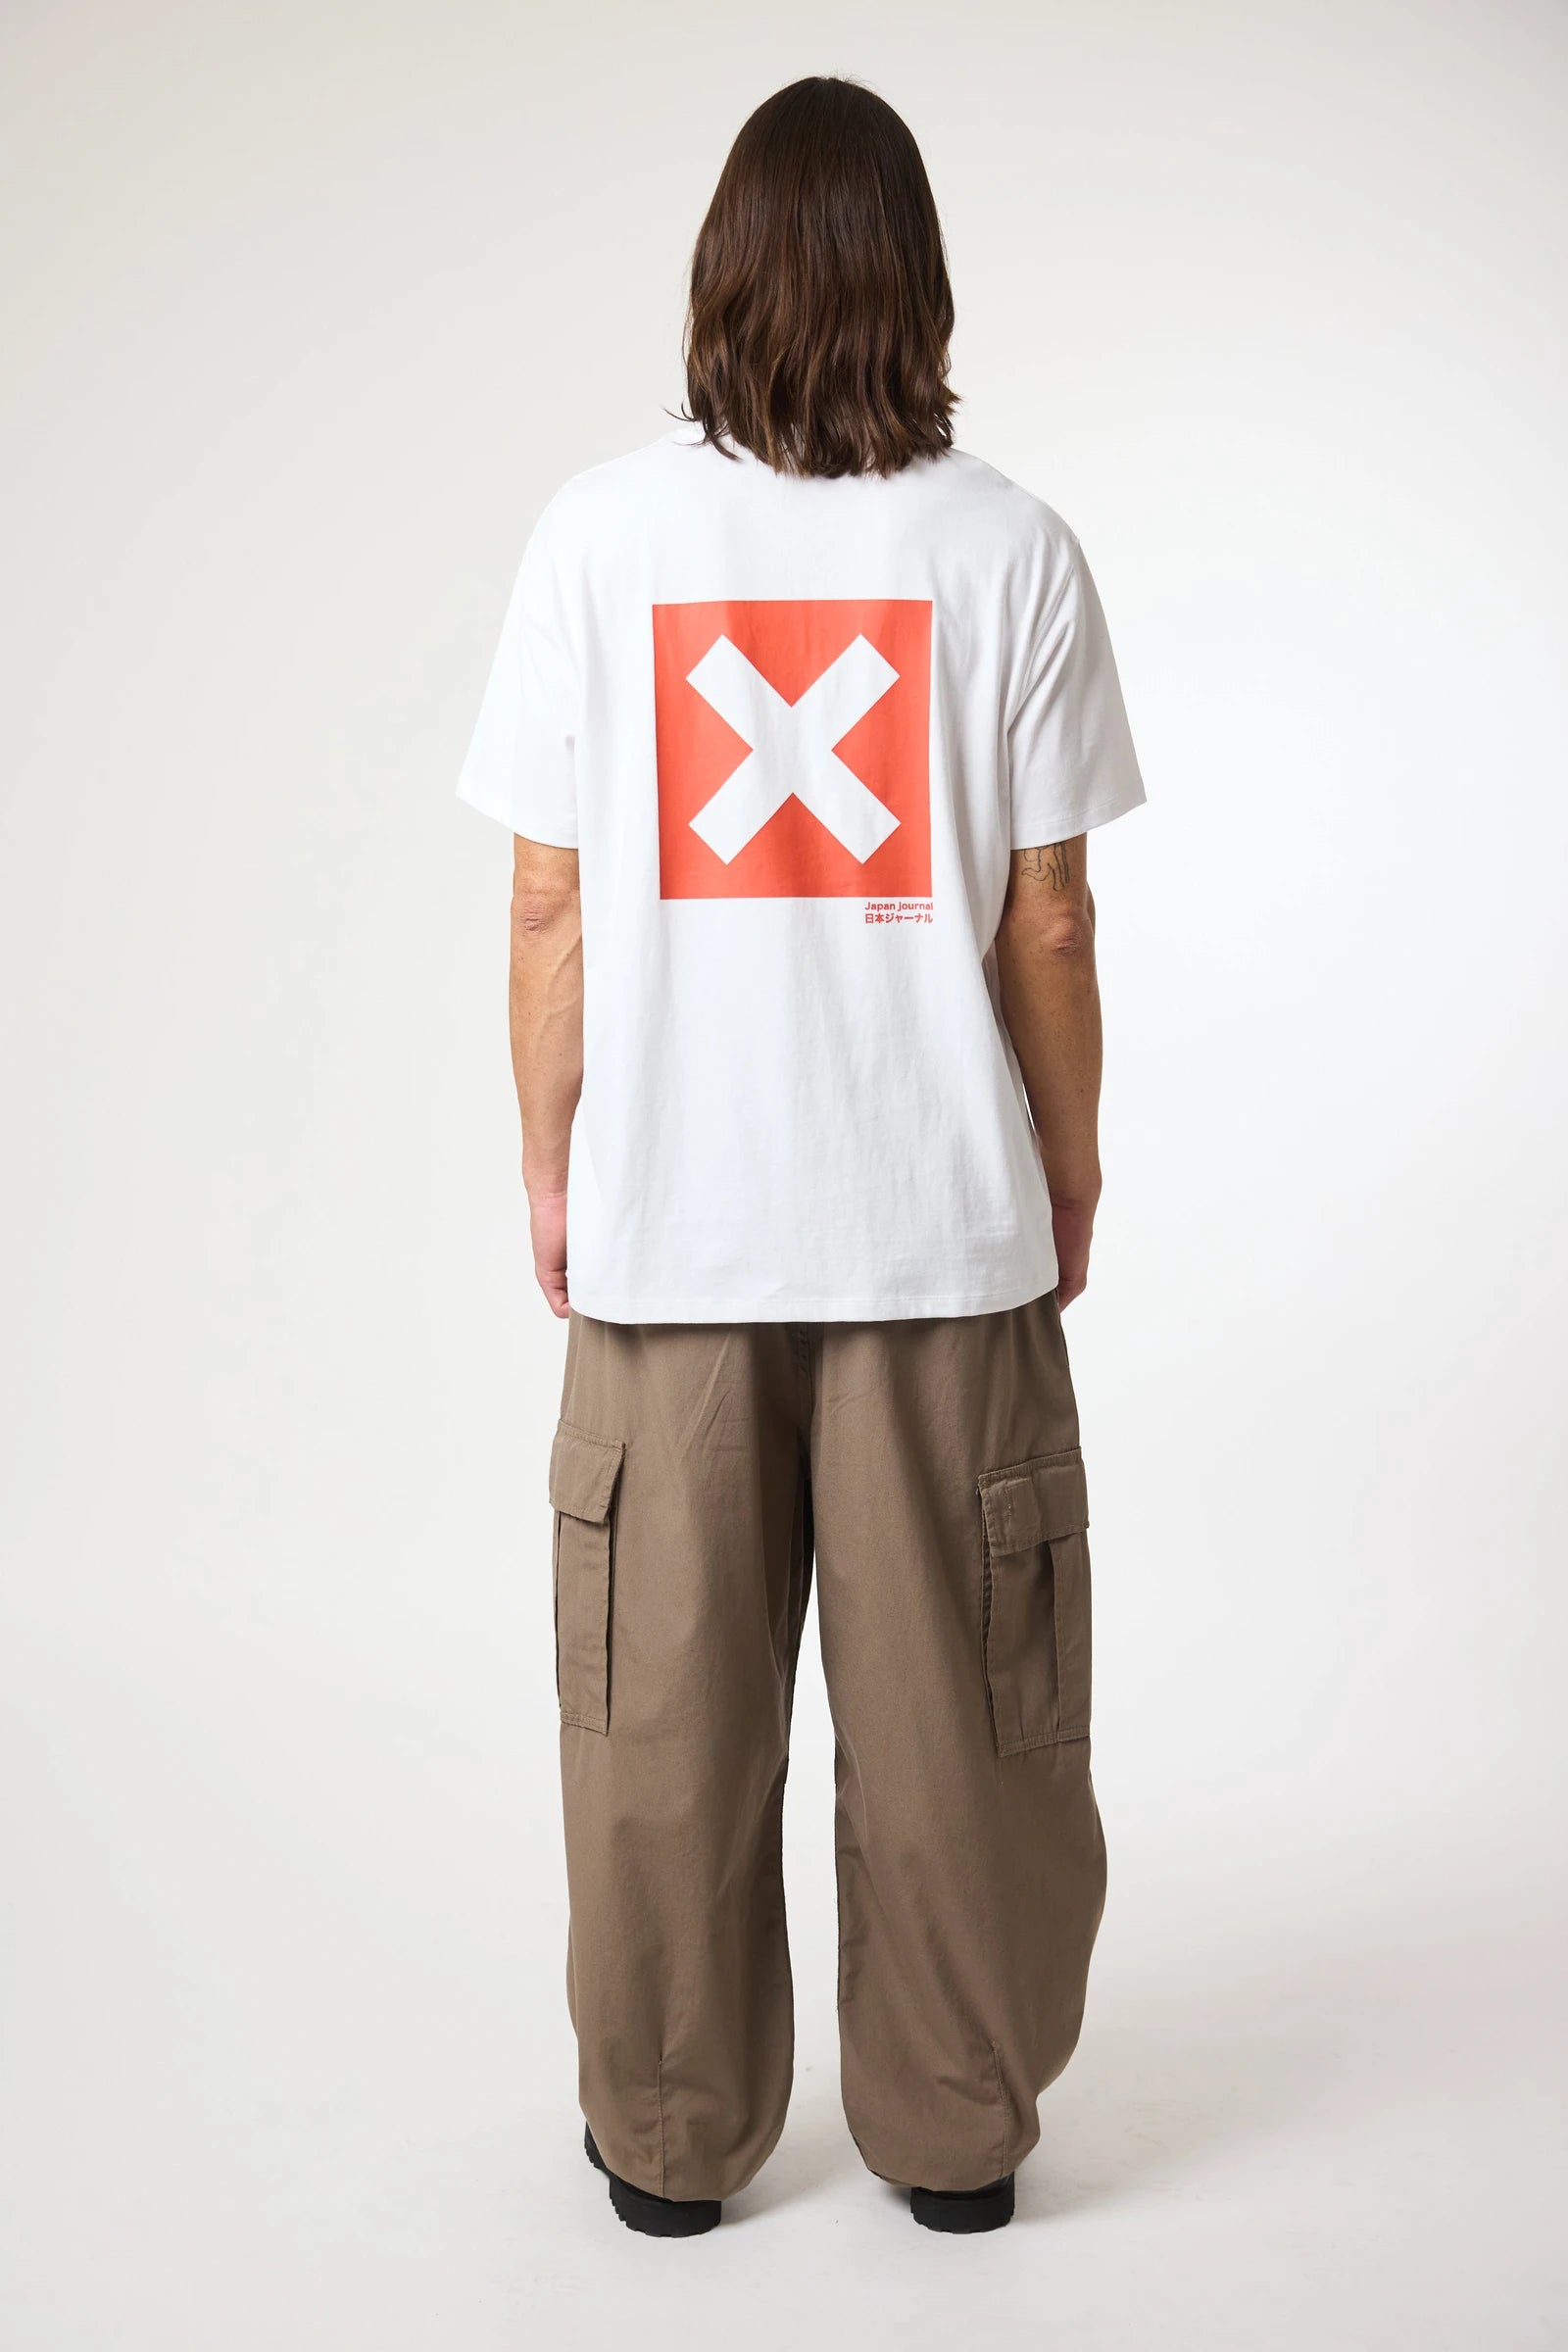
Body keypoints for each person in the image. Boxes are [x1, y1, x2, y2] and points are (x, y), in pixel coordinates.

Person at [458, 75, 1145, 2237]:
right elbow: (1048, 917)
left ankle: (670, 2147)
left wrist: (554, 1169)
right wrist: (1068, 1163)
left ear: (719, 277)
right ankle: (954, 2137)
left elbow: (549, 905)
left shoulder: (595, 540)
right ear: (918, 285)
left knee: (657, 1722)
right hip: (941, 1235)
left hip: (671, 1237)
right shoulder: (1009, 548)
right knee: (964, 1725)